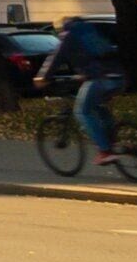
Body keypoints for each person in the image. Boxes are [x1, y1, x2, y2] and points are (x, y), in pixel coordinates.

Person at [49, 18, 129, 159]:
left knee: (81, 111)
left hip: (100, 79)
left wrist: (43, 78)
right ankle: (113, 142)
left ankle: (105, 151)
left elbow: (56, 58)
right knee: (98, 106)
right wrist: (84, 73)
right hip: (119, 77)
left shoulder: (69, 35)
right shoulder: (93, 33)